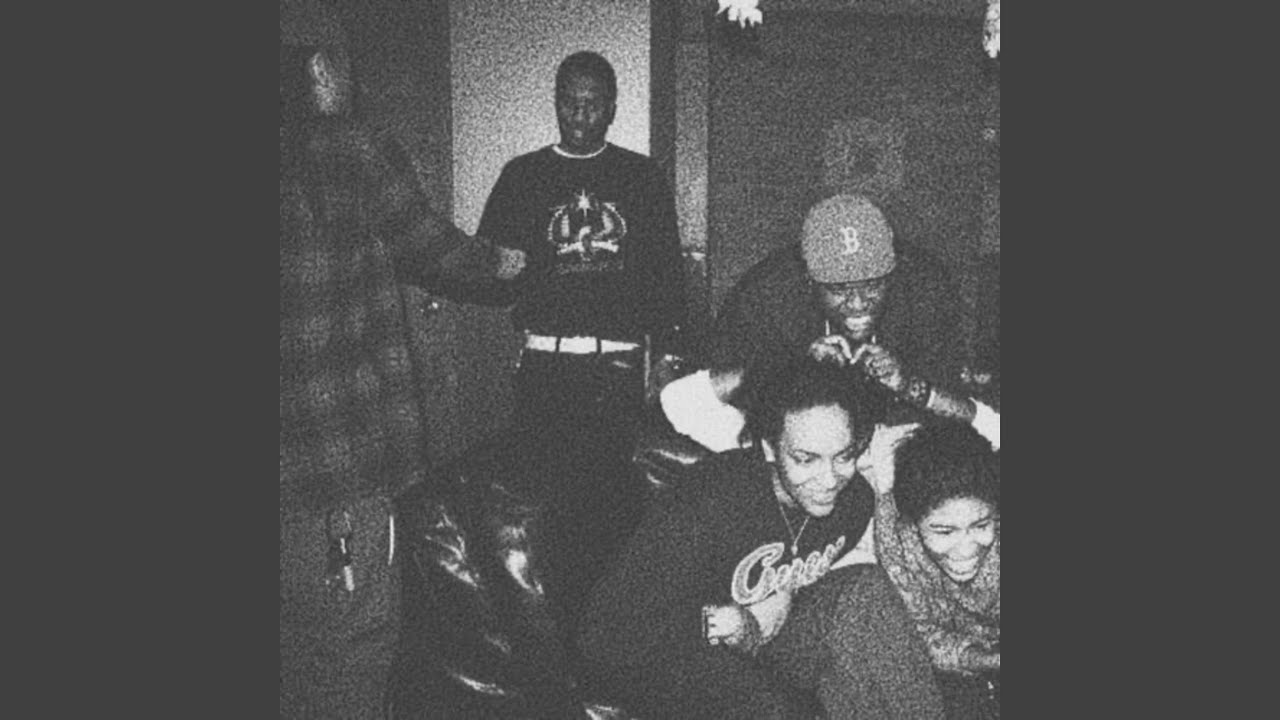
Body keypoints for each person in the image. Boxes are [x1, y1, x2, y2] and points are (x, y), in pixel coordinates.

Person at [577, 357, 945, 719]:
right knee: (772, 709)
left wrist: (785, 599)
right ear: (769, 448)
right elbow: (604, 634)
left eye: (843, 456)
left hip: (773, 644)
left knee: (866, 588)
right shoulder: (709, 501)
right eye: (806, 459)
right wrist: (727, 622)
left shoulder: (854, 502)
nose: (829, 479)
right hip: (688, 656)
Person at [473, 50, 687, 621]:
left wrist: (667, 357)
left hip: (617, 369)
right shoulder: (523, 176)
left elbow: (668, 277)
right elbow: (489, 271)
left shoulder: (640, 177)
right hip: (546, 367)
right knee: (540, 508)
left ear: (611, 108)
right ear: (556, 102)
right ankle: (552, 631)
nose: (580, 114)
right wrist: (495, 267)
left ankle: (607, 628)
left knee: (613, 507)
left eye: (592, 103)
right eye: (570, 102)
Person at [661, 193, 999, 453]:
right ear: (809, 281)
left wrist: (907, 385)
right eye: (838, 289)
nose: (858, 303)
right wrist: (790, 366)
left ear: (893, 275)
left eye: (873, 285)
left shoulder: (925, 291)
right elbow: (681, 402)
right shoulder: (768, 296)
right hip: (791, 454)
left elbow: (982, 422)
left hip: (899, 452)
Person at [867, 422, 1001, 719]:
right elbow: (919, 631)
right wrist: (985, 660)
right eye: (944, 531)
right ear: (914, 523)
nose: (965, 549)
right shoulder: (897, 535)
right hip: (956, 666)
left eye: (981, 526)